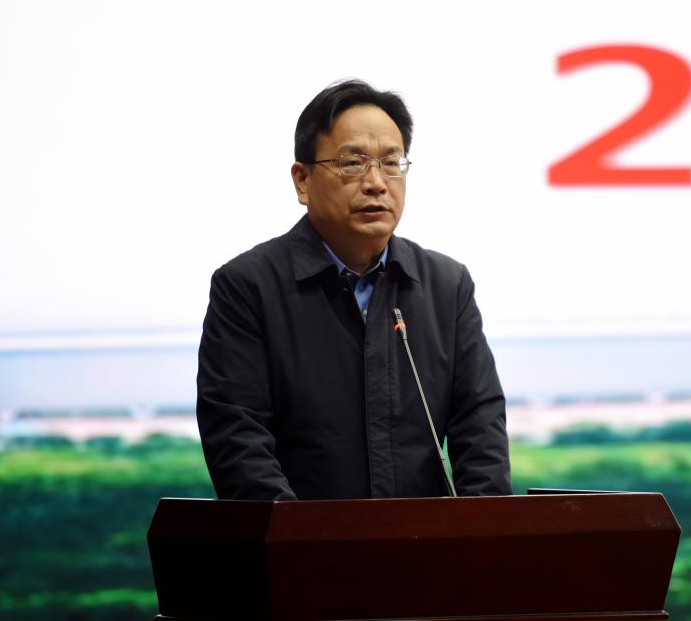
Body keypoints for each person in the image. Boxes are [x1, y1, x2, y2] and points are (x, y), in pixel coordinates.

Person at [196, 79, 512, 501]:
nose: (377, 183)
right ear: (302, 180)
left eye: (391, 163)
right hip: (304, 542)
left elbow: (481, 430)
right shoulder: (248, 287)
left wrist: (479, 533)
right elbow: (238, 441)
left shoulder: (445, 286)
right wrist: (305, 537)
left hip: (428, 542)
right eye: (353, 163)